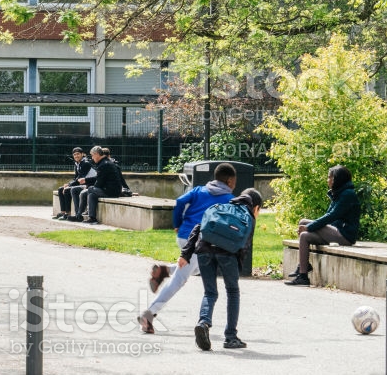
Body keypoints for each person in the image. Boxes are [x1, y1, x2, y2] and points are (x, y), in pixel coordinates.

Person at [137, 163, 237, 334]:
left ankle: (164, 270)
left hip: (184, 235)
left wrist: (177, 223)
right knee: (180, 279)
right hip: (199, 242)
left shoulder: (199, 190)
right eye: (234, 182)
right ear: (229, 181)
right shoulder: (229, 199)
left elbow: (180, 201)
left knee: (196, 269)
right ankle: (149, 314)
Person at [181, 188, 263, 350]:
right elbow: (244, 246)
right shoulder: (248, 217)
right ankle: (231, 337)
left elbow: (199, 227)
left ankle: (203, 323)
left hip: (204, 249)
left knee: (210, 292)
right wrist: (237, 268)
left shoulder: (222, 207)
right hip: (228, 254)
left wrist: (185, 254)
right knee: (232, 291)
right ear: (256, 208)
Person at [285, 165, 360, 286]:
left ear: (337, 179)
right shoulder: (338, 193)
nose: (328, 180)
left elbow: (331, 216)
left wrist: (310, 227)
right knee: (304, 235)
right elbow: (328, 216)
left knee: (304, 224)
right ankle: (303, 275)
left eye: (330, 177)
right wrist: (309, 228)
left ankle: (303, 267)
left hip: (344, 235)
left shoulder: (347, 195)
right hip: (334, 232)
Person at [82, 146, 122, 224]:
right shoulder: (105, 162)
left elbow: (99, 183)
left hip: (111, 191)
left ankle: (87, 211)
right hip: (112, 190)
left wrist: (89, 187)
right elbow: (99, 178)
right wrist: (87, 182)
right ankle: (92, 217)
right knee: (92, 195)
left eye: (92, 155)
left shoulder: (103, 164)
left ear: (97, 154)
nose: (92, 158)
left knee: (90, 189)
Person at [54, 147, 92, 221]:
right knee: (60, 189)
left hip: (88, 184)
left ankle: (69, 214)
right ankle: (63, 212)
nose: (76, 156)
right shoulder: (77, 163)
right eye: (74, 155)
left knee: (67, 190)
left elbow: (80, 178)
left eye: (78, 154)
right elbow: (76, 178)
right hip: (82, 183)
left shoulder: (86, 163)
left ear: (82, 154)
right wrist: (68, 184)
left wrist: (69, 185)